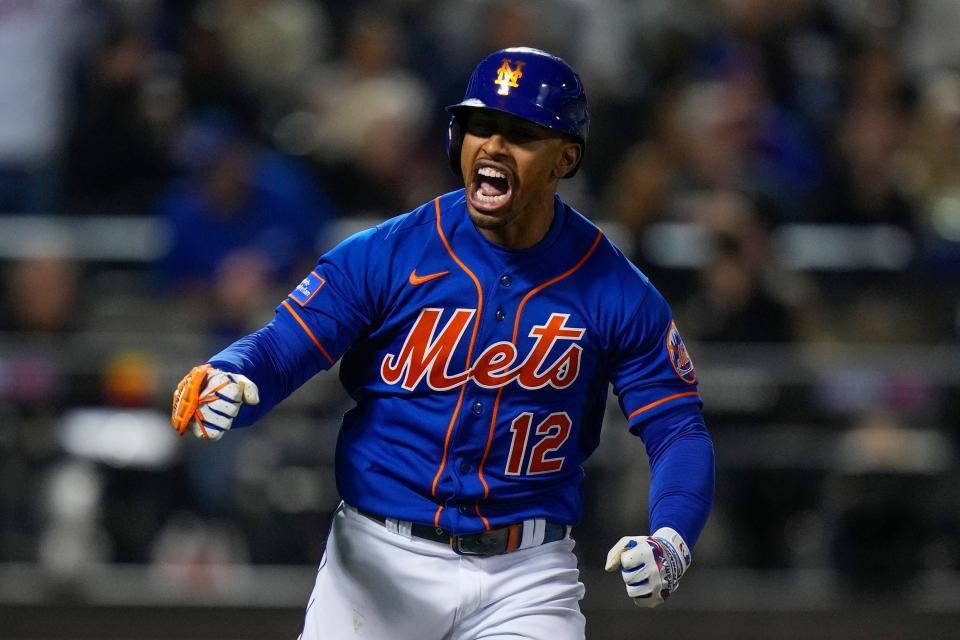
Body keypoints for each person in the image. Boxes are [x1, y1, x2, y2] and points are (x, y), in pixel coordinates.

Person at [171, 47, 714, 639]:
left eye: (521, 133)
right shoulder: (387, 252)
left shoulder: (617, 290)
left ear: (566, 158)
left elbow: (678, 429)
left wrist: (672, 537)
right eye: (481, 126)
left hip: (525, 574)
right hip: (378, 561)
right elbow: (277, 352)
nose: (494, 147)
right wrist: (228, 374)